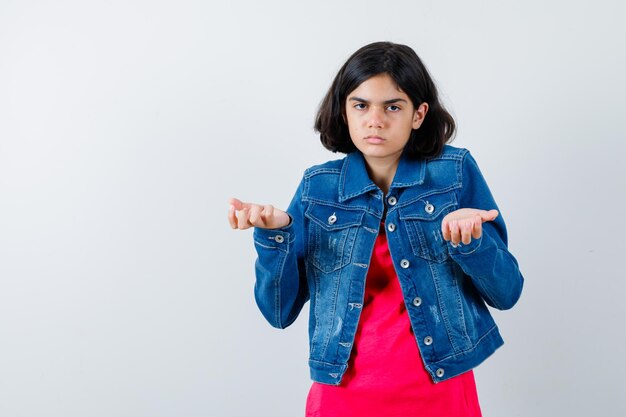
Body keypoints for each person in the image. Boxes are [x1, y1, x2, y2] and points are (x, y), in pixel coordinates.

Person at [227, 41, 523, 416]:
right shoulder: (317, 188)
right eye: (361, 105)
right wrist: (275, 236)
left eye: (393, 106)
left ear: (418, 114)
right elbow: (278, 313)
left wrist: (471, 243)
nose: (375, 120)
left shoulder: (454, 172)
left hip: (439, 393)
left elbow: (507, 292)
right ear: (344, 111)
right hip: (342, 397)